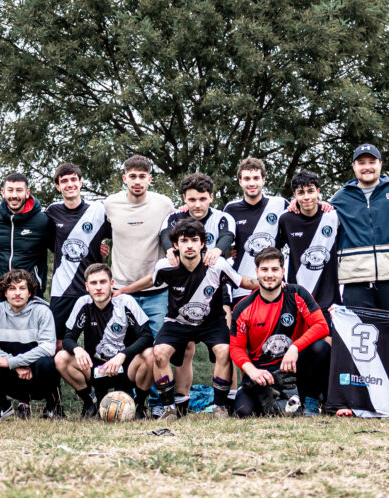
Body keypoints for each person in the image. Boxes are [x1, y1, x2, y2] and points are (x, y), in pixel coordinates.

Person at [118, 220, 258, 419]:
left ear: (203, 244)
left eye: (195, 240)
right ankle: (169, 409)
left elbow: (241, 280)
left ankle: (219, 407)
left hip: (212, 322)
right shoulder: (166, 266)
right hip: (178, 322)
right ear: (176, 245)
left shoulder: (216, 264)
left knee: (224, 351)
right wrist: (123, 290)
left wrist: (268, 283)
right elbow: (151, 279)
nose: (190, 245)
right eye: (184, 241)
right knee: (159, 353)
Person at [159, 172, 237, 400]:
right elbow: (165, 236)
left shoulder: (223, 217)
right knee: (186, 349)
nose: (197, 204)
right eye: (192, 199)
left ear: (211, 197)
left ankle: (229, 400)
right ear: (184, 198)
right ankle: (181, 399)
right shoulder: (175, 217)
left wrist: (217, 250)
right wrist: (170, 250)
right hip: (183, 292)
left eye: (202, 199)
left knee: (225, 348)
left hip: (216, 291)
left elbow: (227, 237)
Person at [230, 248, 330, 417]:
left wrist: (295, 348)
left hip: (293, 365)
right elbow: (236, 348)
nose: (270, 275)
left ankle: (311, 400)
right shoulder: (243, 307)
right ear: (256, 272)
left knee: (321, 347)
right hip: (263, 373)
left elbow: (321, 326)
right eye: (264, 270)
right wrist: (253, 372)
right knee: (243, 412)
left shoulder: (297, 294)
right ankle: (277, 400)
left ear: (283, 272)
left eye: (275, 270)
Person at [55, 263, 155, 419]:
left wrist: (122, 355)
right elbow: (68, 338)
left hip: (125, 367)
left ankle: (139, 405)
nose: (98, 287)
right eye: (94, 283)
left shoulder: (125, 302)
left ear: (111, 284)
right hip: (96, 368)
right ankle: (90, 402)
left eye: (103, 282)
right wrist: (77, 349)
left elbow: (147, 336)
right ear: (87, 287)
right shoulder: (83, 303)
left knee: (150, 355)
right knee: (61, 358)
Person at [329, 144, 389, 313]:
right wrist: (296, 204)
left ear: (380, 164)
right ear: (354, 166)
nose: (367, 167)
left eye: (372, 162)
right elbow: (316, 214)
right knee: (357, 334)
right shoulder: (340, 197)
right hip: (355, 279)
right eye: (361, 163)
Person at [0, 269, 59, 420]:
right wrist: (14, 365)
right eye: (12, 288)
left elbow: (48, 347)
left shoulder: (42, 311)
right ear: (5, 293)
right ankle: (2, 405)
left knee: (47, 363)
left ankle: (53, 406)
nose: (17, 293)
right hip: (9, 375)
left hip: (34, 375)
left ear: (30, 292)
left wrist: (14, 362)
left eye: (22, 288)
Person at [105, 155, 176, 338]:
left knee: (158, 353)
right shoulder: (110, 204)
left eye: (142, 176)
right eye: (133, 176)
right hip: (121, 291)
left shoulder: (164, 204)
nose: (137, 181)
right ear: (125, 178)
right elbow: (99, 231)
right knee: (123, 352)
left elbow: (175, 231)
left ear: (149, 179)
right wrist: (100, 246)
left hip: (157, 293)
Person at [45, 162, 111, 351]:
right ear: (58, 186)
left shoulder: (98, 210)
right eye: (64, 181)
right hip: (62, 289)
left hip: (93, 287)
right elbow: (50, 242)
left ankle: (96, 380)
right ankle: (55, 381)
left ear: (81, 183)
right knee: (56, 344)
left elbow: (120, 231)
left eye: (74, 179)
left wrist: (100, 245)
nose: (69, 184)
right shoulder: (52, 211)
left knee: (99, 343)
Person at [223, 158, 288, 305]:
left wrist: (321, 205)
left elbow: (299, 220)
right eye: (247, 178)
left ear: (263, 180)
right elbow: (222, 243)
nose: (251, 183)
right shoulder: (230, 209)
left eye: (256, 178)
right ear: (240, 181)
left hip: (274, 285)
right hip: (242, 287)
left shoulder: (279, 204)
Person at [275, 170, 340, 317]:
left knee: (326, 340)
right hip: (298, 297)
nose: (306, 197)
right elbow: (275, 252)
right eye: (301, 192)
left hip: (329, 299)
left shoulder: (333, 216)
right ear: (294, 195)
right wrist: (281, 279)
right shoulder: (286, 219)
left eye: (310, 191)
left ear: (318, 192)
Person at [0, 172, 50, 307]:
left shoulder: (42, 221)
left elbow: (59, 245)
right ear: (3, 192)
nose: (14, 195)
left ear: (27, 193)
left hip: (31, 296)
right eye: (10, 190)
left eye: (19, 190)